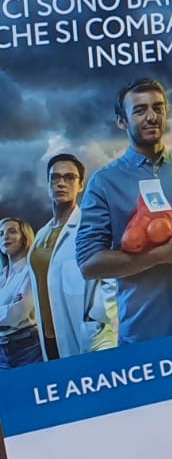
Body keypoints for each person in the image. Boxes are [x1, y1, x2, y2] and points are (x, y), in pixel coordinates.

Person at [77, 78, 172, 343]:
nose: (151, 117)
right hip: (142, 335)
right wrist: (160, 256)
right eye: (139, 110)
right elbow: (89, 264)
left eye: (158, 108)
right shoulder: (104, 183)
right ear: (121, 121)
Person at [30, 153, 116, 358]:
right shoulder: (41, 234)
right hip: (49, 337)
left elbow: (113, 276)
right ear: (48, 183)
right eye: (55, 177)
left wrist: (97, 319)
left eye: (69, 177)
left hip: (85, 334)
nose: (61, 183)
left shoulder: (92, 225)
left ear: (81, 185)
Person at [0, 218, 44, 367]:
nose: (5, 237)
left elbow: (15, 315)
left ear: (25, 238)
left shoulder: (30, 270)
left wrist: (9, 309)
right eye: (1, 234)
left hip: (27, 348)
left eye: (12, 231)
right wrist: (7, 308)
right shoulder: (2, 276)